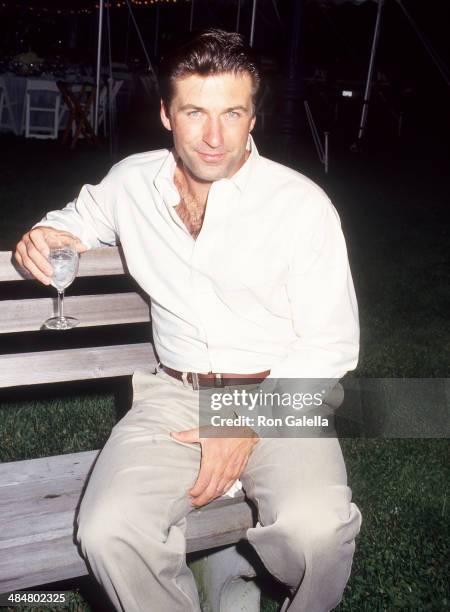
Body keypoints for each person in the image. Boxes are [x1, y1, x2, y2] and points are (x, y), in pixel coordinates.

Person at [14, 29, 362, 612]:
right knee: (110, 530)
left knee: (317, 533)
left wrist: (241, 421)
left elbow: (331, 343)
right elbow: (75, 220)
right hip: (176, 394)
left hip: (281, 392)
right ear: (165, 113)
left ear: (253, 117)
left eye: (233, 113)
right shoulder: (133, 182)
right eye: (195, 111)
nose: (213, 136)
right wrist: (45, 234)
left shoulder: (300, 205)